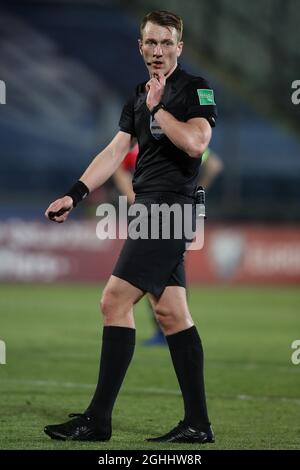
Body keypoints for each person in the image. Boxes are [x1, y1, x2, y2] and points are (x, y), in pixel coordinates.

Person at [44, 10, 217, 443]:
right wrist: (75, 193)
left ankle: (97, 419)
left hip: (169, 211)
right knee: (171, 314)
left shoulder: (197, 90)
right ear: (140, 47)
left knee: (113, 301)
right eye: (151, 43)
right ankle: (198, 424)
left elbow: (196, 143)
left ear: (180, 47)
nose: (158, 51)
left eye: (166, 43)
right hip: (150, 210)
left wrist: (161, 110)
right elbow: (114, 149)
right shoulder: (138, 94)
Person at [113, 146, 223, 347]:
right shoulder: (182, 142)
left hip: (162, 214)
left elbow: (118, 168)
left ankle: (169, 329)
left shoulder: (142, 147)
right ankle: (172, 329)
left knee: (155, 271)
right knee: (169, 270)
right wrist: (197, 191)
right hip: (177, 211)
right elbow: (214, 165)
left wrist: (134, 197)